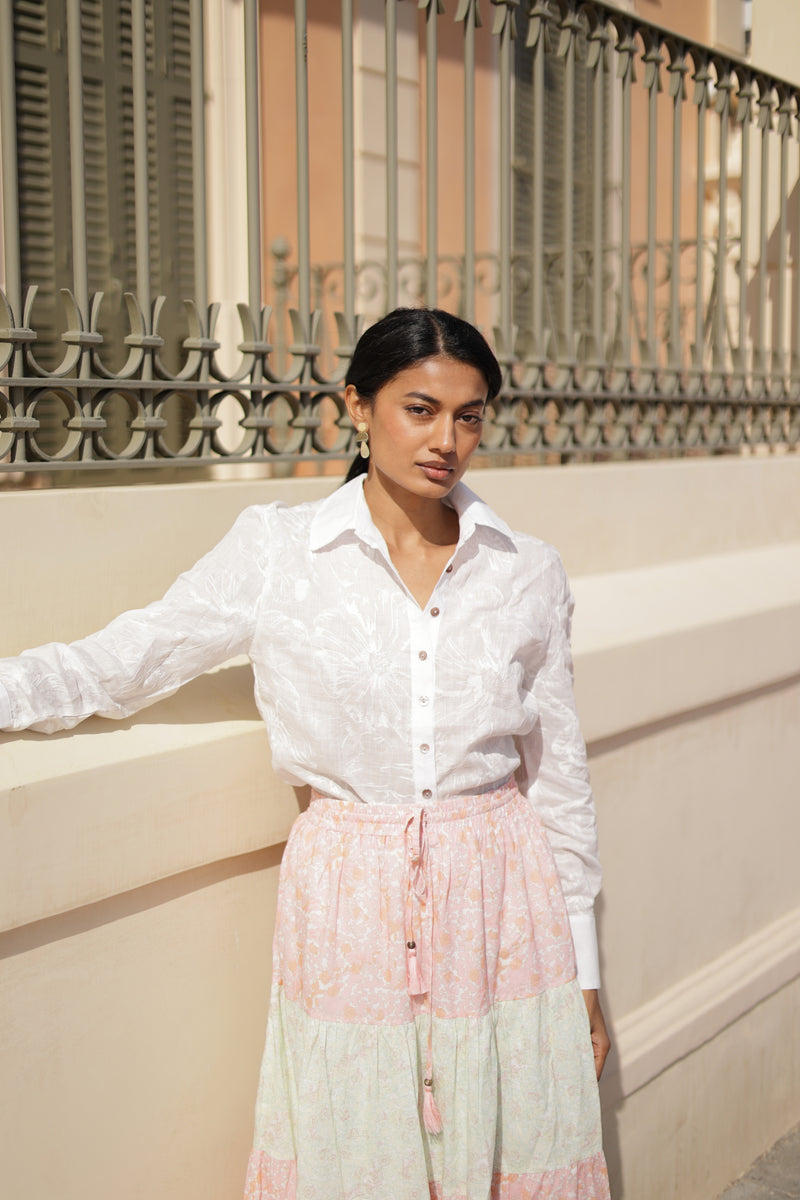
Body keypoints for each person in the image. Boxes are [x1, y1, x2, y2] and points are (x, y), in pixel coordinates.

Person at [0, 307, 611, 1199]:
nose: (448, 440)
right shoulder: (280, 552)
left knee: (505, 1147)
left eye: (470, 415)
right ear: (356, 409)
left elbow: (557, 780)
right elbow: (128, 659)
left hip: (504, 900)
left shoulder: (525, 569)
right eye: (420, 409)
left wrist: (585, 975)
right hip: (346, 901)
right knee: (355, 1151)